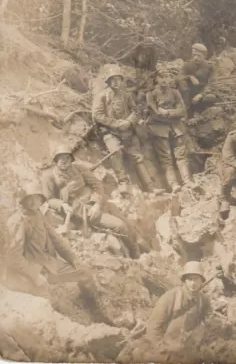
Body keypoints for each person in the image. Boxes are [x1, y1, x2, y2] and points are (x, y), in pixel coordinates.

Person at [3, 182, 113, 323]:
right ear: (22, 200)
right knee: (45, 302)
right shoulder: (17, 221)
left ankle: (97, 314)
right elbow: (13, 257)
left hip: (47, 264)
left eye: (37, 198)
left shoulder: (37, 214)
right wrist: (34, 275)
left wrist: (74, 259)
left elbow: (56, 238)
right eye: (29, 198)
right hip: (27, 272)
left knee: (84, 272)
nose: (33, 201)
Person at [40, 146, 140, 258]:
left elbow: (96, 184)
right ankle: (133, 249)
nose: (64, 161)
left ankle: (138, 245)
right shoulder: (49, 176)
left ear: (71, 159)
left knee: (125, 221)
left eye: (67, 158)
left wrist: (97, 203)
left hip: (98, 201)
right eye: (61, 158)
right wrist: (62, 204)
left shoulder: (78, 168)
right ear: (55, 160)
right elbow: (49, 199)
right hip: (82, 211)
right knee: (119, 225)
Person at [116, 262, 210, 362]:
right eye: (190, 279)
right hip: (163, 348)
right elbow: (153, 327)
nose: (193, 283)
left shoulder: (203, 301)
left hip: (184, 349)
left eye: (196, 279)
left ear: (202, 281)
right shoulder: (170, 297)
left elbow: (206, 325)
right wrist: (162, 350)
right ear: (184, 280)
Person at [92, 64, 161, 193]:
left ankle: (151, 187)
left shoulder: (127, 95)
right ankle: (123, 182)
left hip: (128, 131)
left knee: (138, 156)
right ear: (108, 81)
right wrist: (117, 123)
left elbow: (136, 111)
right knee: (115, 152)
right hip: (110, 132)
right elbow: (97, 115)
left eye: (118, 79)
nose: (116, 82)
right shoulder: (102, 96)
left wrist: (129, 122)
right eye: (112, 79)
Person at [146, 69, 194, 193]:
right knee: (166, 157)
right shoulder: (150, 94)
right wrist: (173, 114)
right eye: (161, 77)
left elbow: (182, 110)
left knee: (181, 155)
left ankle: (187, 181)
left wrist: (167, 112)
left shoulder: (175, 92)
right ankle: (173, 185)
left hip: (176, 127)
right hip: (159, 129)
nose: (164, 79)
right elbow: (155, 113)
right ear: (156, 78)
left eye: (166, 76)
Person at [176, 43, 216, 118]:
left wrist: (200, 95)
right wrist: (189, 77)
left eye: (198, 55)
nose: (195, 58)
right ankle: (187, 113)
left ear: (204, 56)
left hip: (202, 93)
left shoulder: (210, 67)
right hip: (189, 93)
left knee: (211, 98)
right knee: (181, 85)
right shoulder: (187, 65)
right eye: (194, 55)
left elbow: (212, 84)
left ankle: (203, 113)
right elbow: (179, 77)